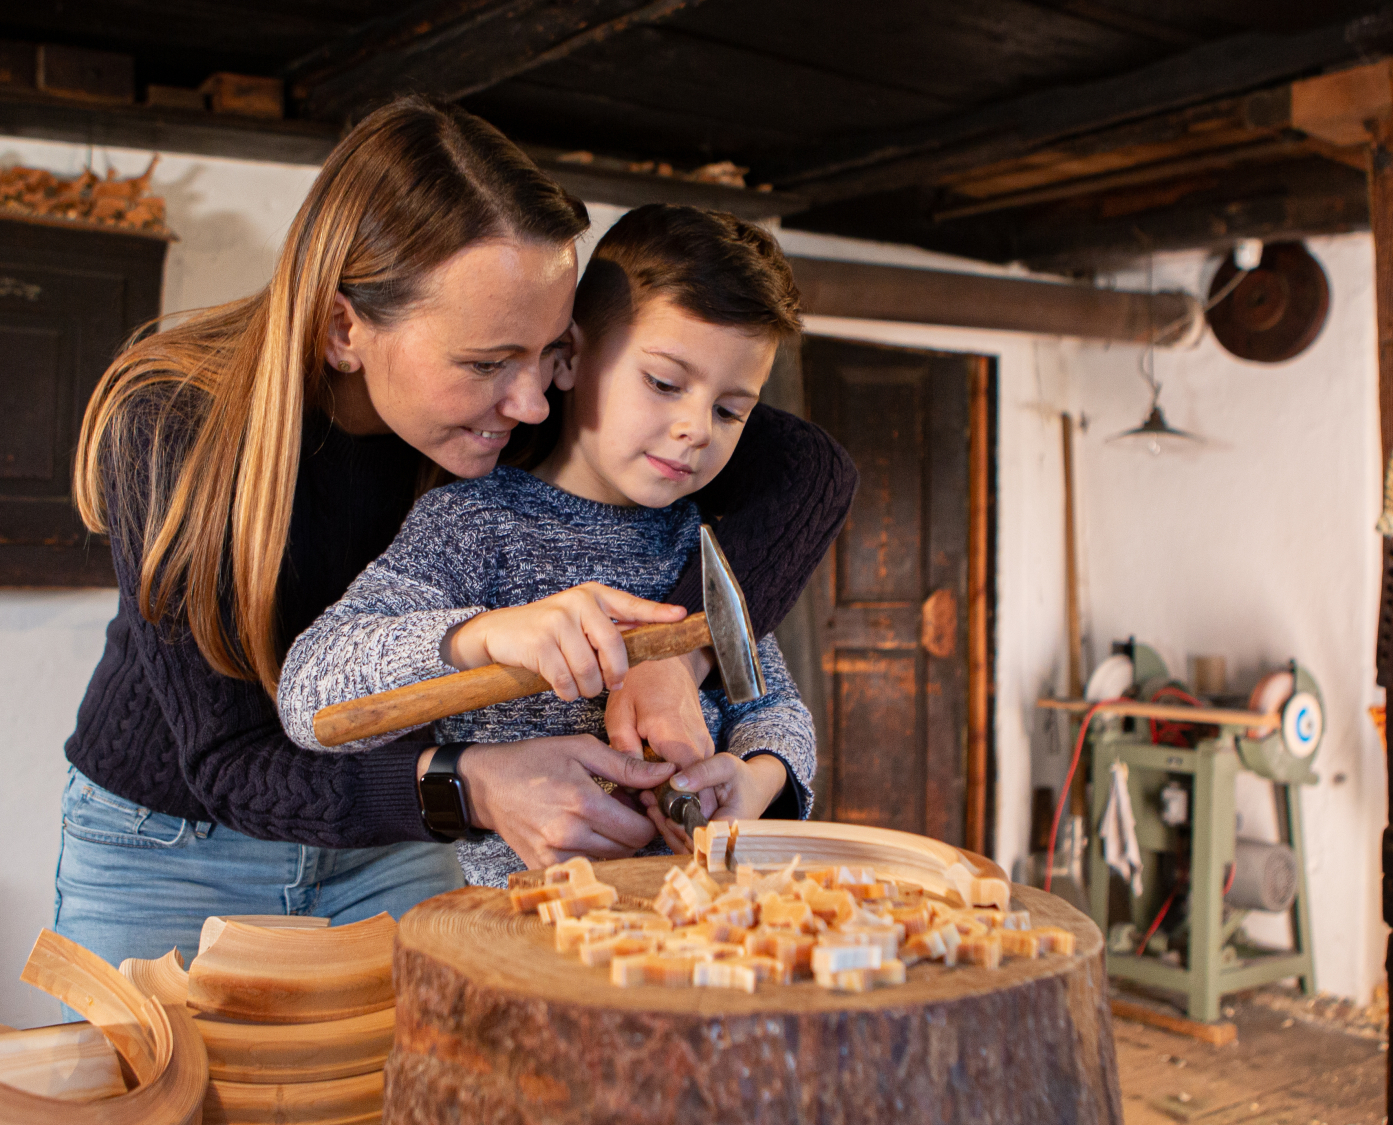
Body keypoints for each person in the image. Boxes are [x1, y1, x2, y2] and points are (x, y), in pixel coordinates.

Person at [54, 98, 854, 967]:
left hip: (404, 841)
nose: (532, 403)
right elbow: (237, 760)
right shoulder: (175, 425)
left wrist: (675, 656)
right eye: (485, 363)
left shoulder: (538, 405)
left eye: (552, 353)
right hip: (176, 845)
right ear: (343, 327)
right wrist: (469, 782)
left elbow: (811, 472)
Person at [278, 204, 815, 887]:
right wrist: (485, 633)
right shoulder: (472, 526)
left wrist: (755, 778)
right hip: (518, 928)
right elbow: (309, 694)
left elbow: (775, 710)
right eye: (663, 382)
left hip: (691, 919)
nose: (695, 428)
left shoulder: (708, 545)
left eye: (730, 409)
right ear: (567, 357)